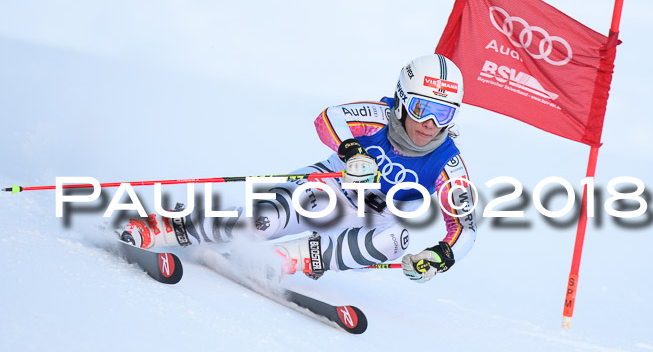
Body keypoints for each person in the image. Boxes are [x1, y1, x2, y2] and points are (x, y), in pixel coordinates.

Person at [119, 54, 477, 283]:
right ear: (400, 100)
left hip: (376, 218)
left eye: (443, 113)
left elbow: (464, 227)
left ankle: (278, 262)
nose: (430, 123)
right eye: (420, 108)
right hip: (331, 189)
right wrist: (352, 153)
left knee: (396, 239)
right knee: (262, 222)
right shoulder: (379, 116)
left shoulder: (447, 163)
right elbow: (329, 118)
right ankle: (166, 228)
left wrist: (440, 256)